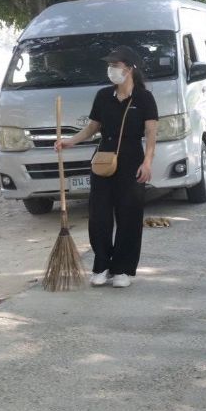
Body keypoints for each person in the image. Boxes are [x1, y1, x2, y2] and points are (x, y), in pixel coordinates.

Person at [56, 46, 158, 288]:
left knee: (129, 214)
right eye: (110, 66)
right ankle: (101, 265)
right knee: (99, 214)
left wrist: (147, 162)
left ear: (129, 68)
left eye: (116, 65)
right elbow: (92, 127)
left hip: (132, 158)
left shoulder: (144, 98)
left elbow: (151, 133)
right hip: (103, 157)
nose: (111, 70)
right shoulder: (103, 95)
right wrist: (70, 141)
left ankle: (122, 269)